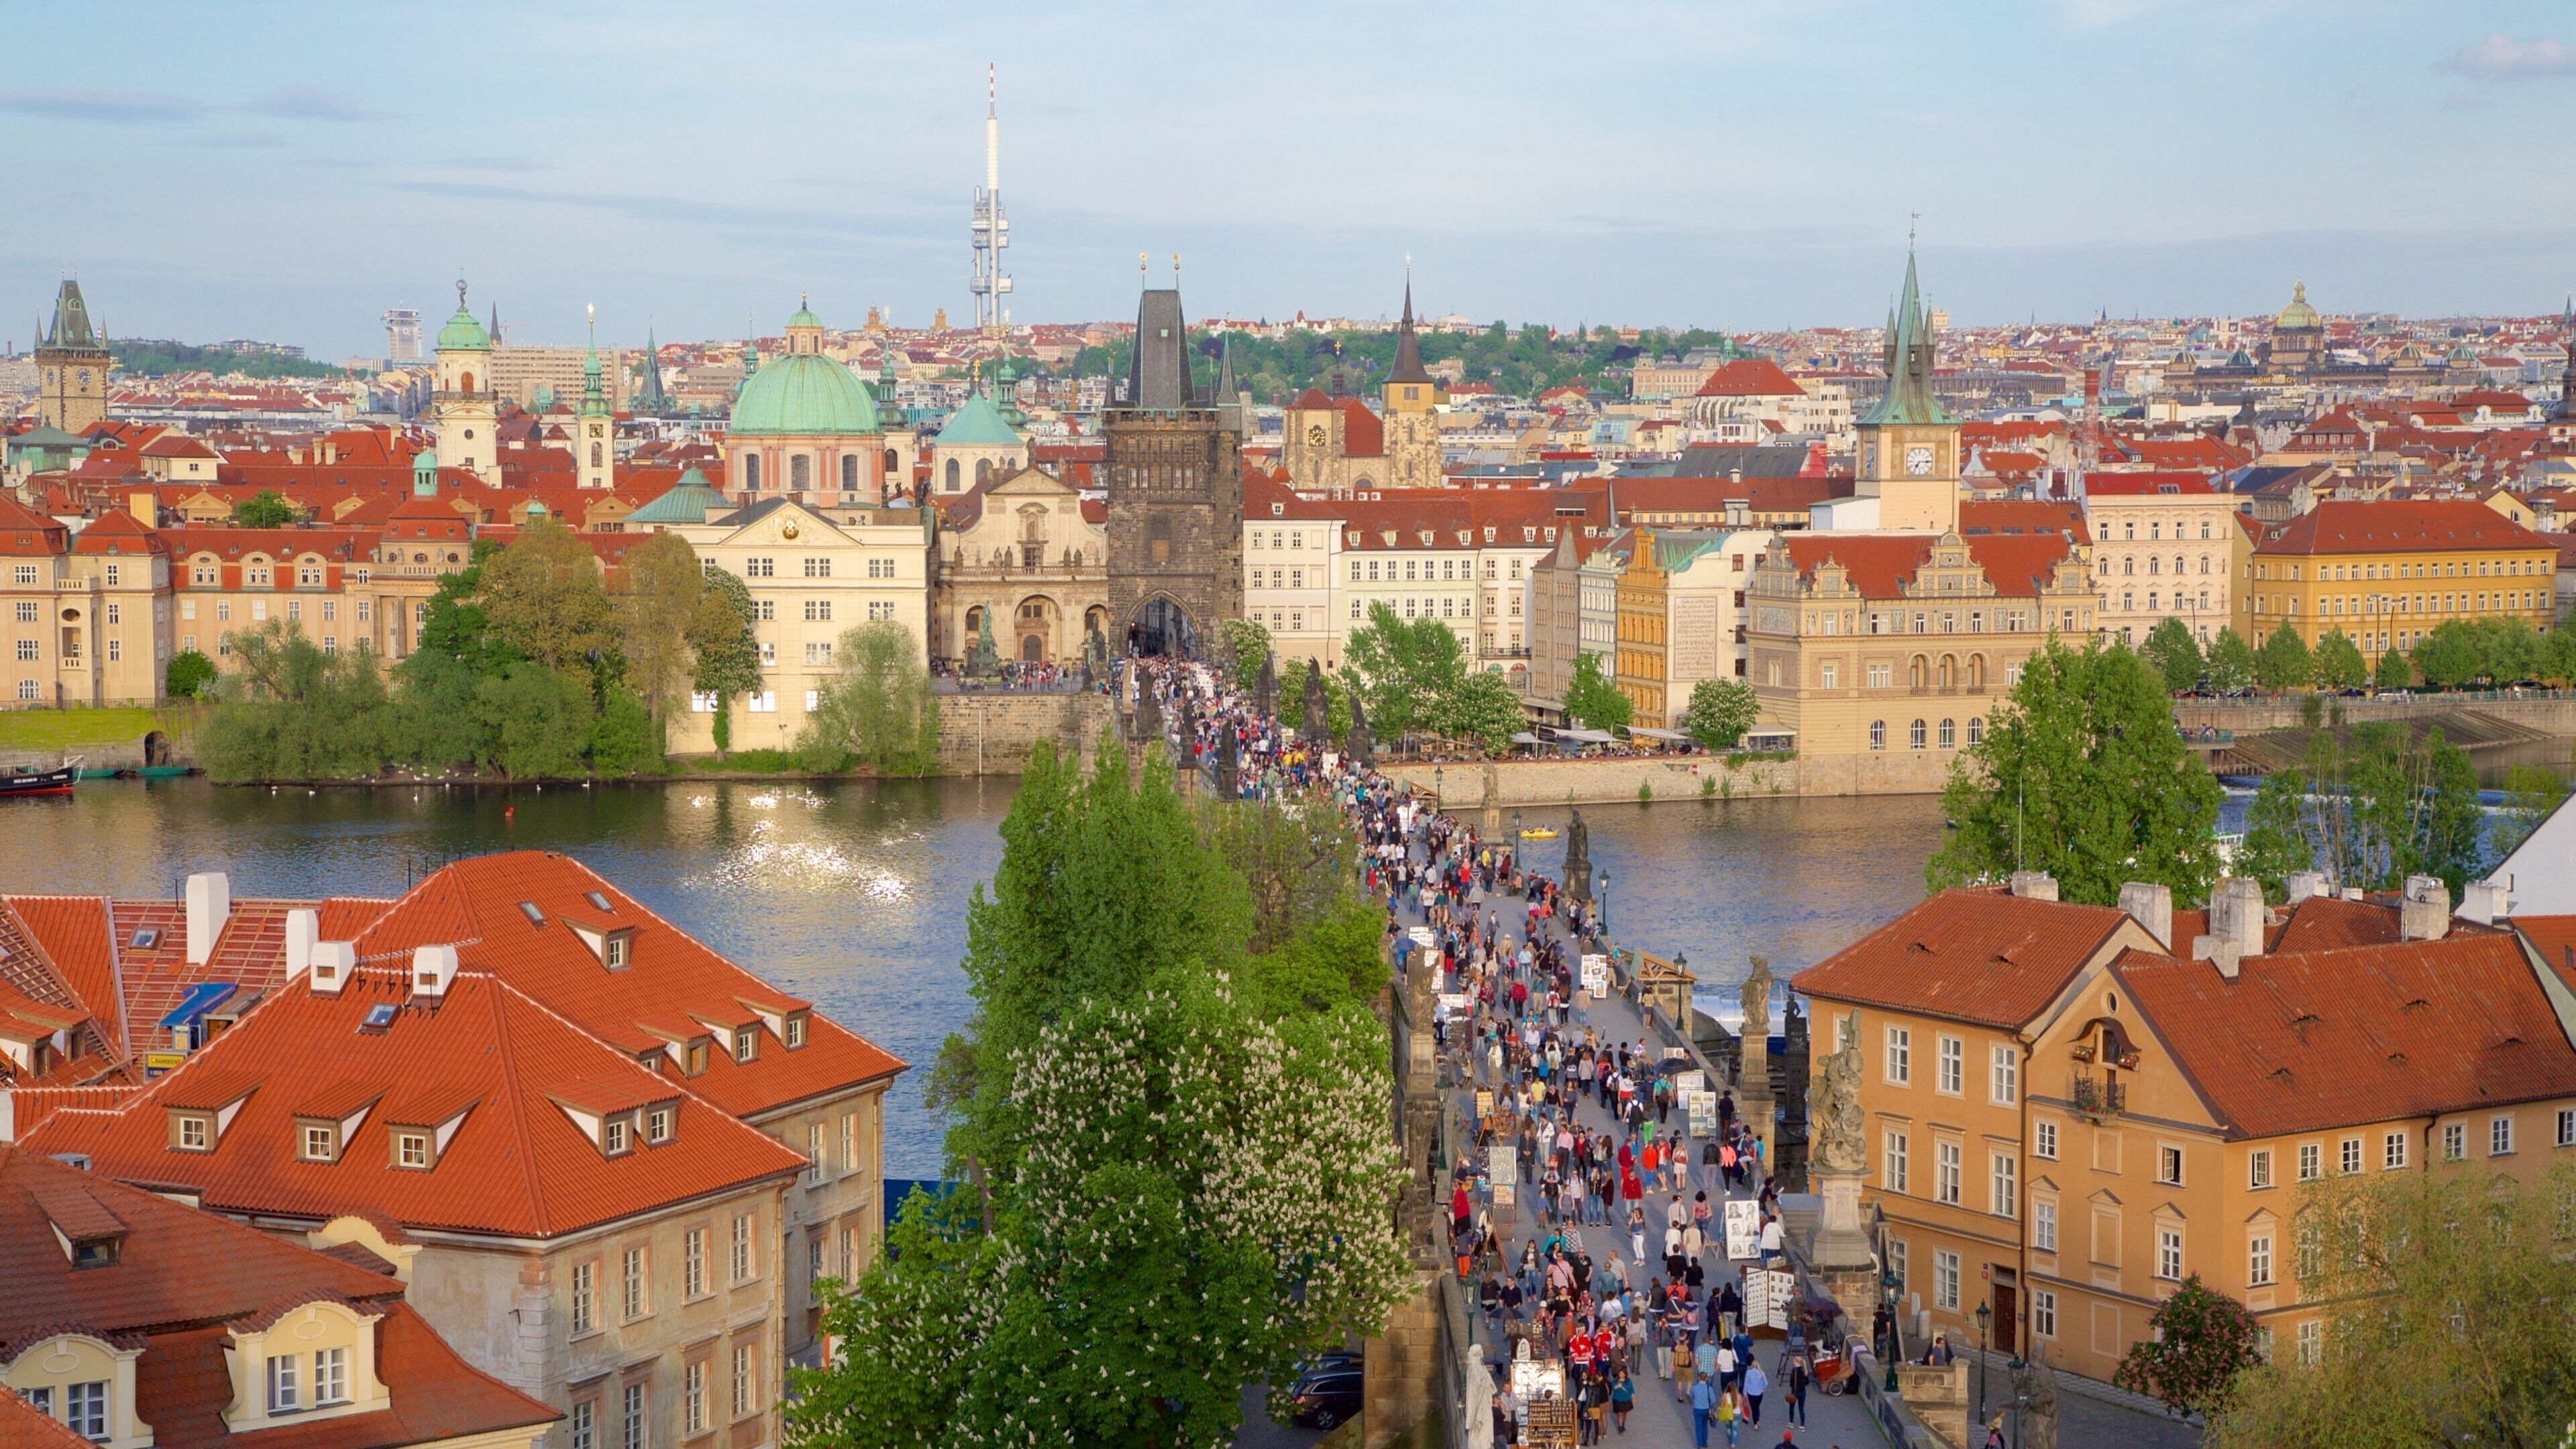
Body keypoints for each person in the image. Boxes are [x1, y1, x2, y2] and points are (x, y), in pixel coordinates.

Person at [1689, 1374, 1716, 1448]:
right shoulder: (1709, 1388)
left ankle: (1700, 1445)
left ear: (1699, 1378)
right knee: (1705, 1426)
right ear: (1706, 1379)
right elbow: (1713, 1400)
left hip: (1697, 1409)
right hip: (1706, 1410)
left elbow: (1691, 1398)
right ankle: (1705, 1443)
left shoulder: (1694, 1388)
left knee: (1698, 1427)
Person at [1784, 1352, 1810, 1428]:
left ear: (1796, 1362)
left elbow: (1792, 1381)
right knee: (1801, 1408)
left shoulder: (1794, 1370)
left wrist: (1792, 1387)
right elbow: (1807, 1382)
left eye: (1794, 1361)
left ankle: (1791, 1423)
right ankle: (1802, 1425)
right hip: (1803, 1392)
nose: (1793, 1362)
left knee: (1792, 1407)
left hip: (1795, 1392)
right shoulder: (1804, 1370)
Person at [1741, 1356, 1768, 1427]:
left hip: (1751, 1394)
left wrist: (1744, 1393)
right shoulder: (1762, 1373)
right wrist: (1762, 1389)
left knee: (1754, 1409)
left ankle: (1756, 1423)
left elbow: (1746, 1384)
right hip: (1759, 1394)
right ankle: (1757, 1420)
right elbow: (1766, 1383)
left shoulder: (1749, 1373)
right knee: (1757, 1407)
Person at [1611, 1368, 1635, 1434]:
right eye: (1620, 1374)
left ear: (1625, 1375)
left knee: (1624, 1413)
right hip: (1617, 1399)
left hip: (1626, 1399)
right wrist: (1617, 1387)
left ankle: (1623, 1425)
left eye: (1622, 1374)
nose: (1620, 1375)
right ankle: (1620, 1427)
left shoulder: (1628, 1381)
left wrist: (1633, 1396)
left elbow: (1631, 1389)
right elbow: (1612, 1388)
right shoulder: (1615, 1381)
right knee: (1620, 1414)